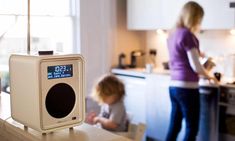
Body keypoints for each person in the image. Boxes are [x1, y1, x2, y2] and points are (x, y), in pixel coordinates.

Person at [166, 1, 218, 141]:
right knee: (192, 128)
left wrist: (199, 54)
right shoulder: (188, 35)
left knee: (174, 126)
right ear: (194, 17)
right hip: (187, 88)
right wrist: (210, 76)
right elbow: (196, 67)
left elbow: (179, 56)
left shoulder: (173, 34)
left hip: (174, 86)